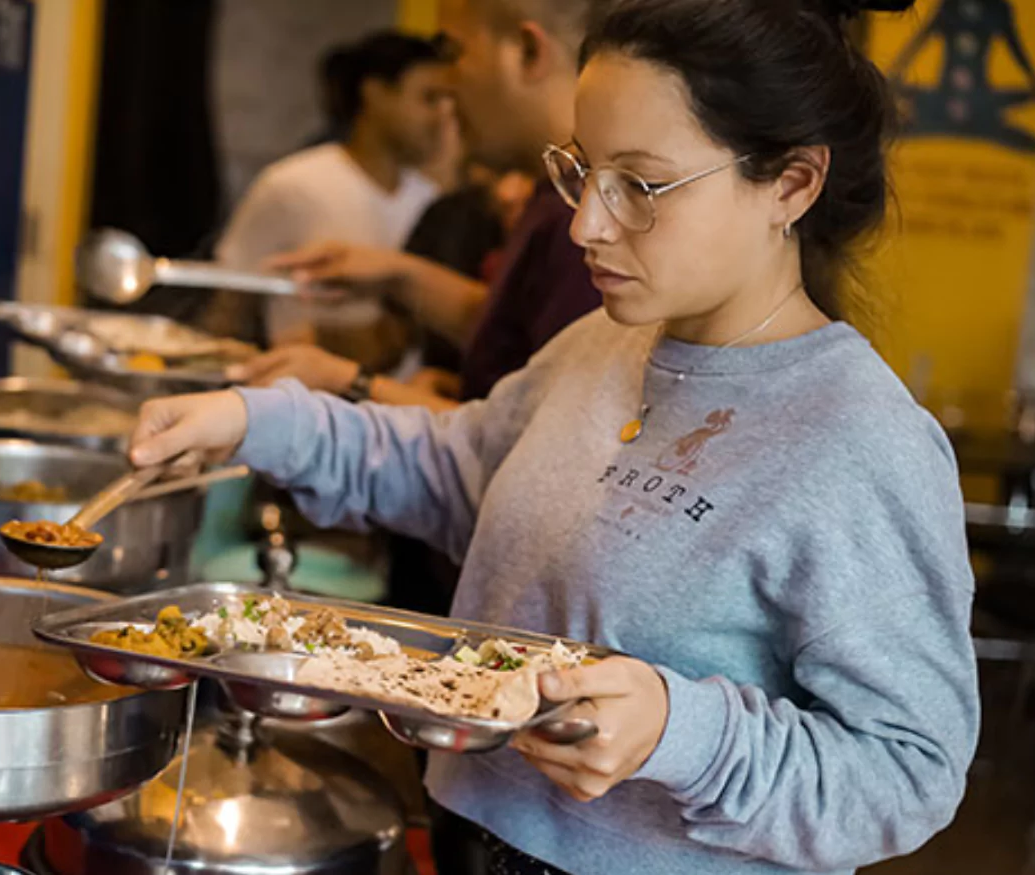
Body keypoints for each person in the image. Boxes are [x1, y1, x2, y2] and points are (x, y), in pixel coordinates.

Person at [138, 0, 981, 872]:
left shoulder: (859, 441)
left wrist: (676, 729)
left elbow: (906, 772)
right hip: (473, 828)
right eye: (581, 171)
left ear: (791, 185)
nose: (587, 223)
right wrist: (258, 420)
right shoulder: (603, 344)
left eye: (640, 186)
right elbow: (463, 473)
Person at [228, 0, 602, 410]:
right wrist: (399, 274)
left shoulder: (583, 218)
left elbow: (533, 436)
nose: (449, 93)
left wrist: (349, 381)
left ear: (528, 52)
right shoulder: (552, 196)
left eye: (455, 55)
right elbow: (514, 328)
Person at [213, 31, 452, 371]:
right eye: (429, 98)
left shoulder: (433, 200)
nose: (442, 116)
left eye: (449, 101)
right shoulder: (293, 185)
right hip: (303, 402)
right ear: (376, 95)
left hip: (400, 411)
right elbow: (230, 302)